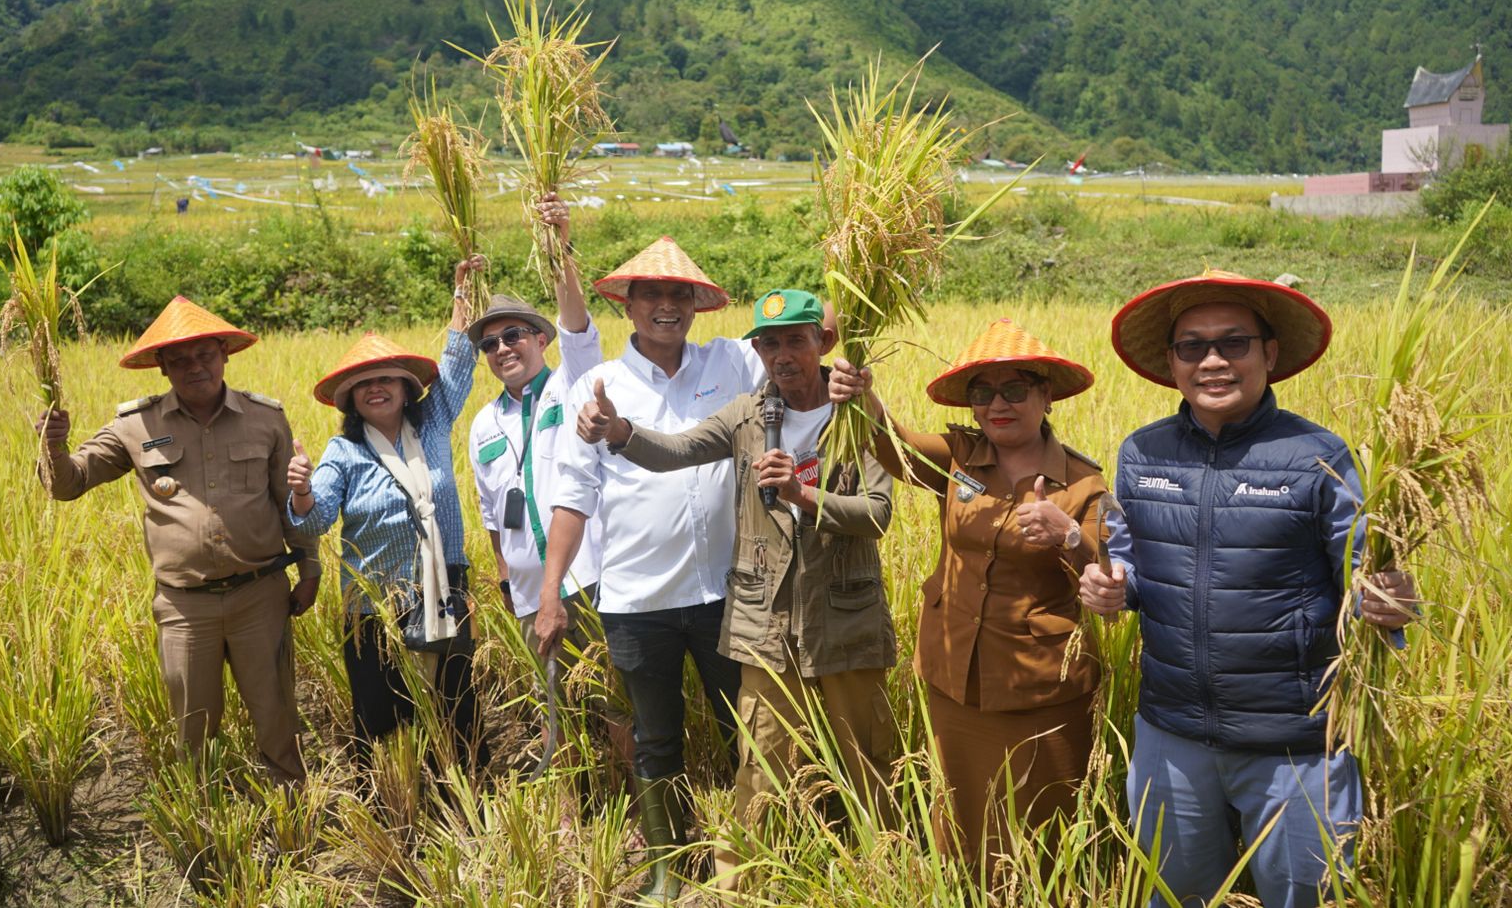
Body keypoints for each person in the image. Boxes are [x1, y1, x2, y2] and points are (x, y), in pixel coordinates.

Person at [1079, 270, 1419, 908]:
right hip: (1172, 735)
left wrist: (1394, 603)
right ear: (1172, 361)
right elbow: (1132, 568)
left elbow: (1369, 575)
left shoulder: (1316, 455)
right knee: (1175, 895)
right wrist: (1111, 589)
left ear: (1271, 354)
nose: (1212, 360)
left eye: (1234, 343)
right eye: (1192, 346)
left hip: (1295, 746)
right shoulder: (1142, 455)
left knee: (1307, 898)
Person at [586, 288, 897, 888]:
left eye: (796, 340)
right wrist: (621, 431)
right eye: (769, 342)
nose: (782, 354)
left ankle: (876, 877)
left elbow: (879, 513)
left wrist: (806, 496)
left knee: (867, 760)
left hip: (844, 618)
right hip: (766, 625)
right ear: (757, 350)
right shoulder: (748, 415)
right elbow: (676, 450)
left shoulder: (860, 411)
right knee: (761, 767)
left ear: (823, 343)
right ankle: (744, 889)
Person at [535, 236, 767, 902]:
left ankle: (748, 857)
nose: (666, 305)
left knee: (745, 732)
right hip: (637, 600)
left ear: (696, 305)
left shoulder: (731, 361)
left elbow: (806, 341)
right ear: (629, 305)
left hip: (728, 591)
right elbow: (571, 499)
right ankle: (668, 868)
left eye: (679, 294)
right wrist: (550, 593)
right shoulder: (597, 386)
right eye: (652, 294)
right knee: (657, 739)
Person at [829, 318, 1107, 873]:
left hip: (1038, 684)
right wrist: (862, 397)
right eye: (982, 392)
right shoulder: (958, 457)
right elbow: (893, 446)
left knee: (1039, 824)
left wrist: (1067, 534)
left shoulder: (1081, 482)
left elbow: (1106, 578)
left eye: (1013, 389)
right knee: (960, 816)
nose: (997, 404)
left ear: (1046, 394)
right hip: (954, 671)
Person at [36, 296, 319, 784]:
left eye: (205, 354)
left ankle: (292, 813)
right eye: (180, 359)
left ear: (224, 354)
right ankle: (205, 827)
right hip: (186, 607)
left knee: (277, 718)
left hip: (260, 596)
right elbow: (69, 483)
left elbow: (287, 500)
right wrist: (52, 445)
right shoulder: (135, 425)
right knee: (193, 729)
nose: (195, 367)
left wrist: (309, 566)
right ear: (162, 367)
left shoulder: (265, 418)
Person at [286, 257, 489, 770]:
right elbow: (312, 523)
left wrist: (462, 293)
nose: (376, 388)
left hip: (444, 587)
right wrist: (303, 491)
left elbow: (459, 359)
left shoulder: (434, 423)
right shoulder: (344, 452)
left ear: (406, 387)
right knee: (383, 717)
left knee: (453, 702)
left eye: (387, 380)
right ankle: (394, 811)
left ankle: (462, 799)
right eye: (364, 384)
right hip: (372, 606)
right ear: (351, 399)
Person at [463, 194, 608, 763]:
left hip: (588, 581)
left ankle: (626, 815)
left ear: (540, 339)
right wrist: (506, 584)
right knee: (554, 710)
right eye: (490, 343)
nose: (502, 348)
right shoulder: (483, 424)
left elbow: (578, 325)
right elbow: (491, 513)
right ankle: (573, 818)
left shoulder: (570, 382)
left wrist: (560, 247)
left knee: (611, 703)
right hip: (527, 595)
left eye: (515, 334)